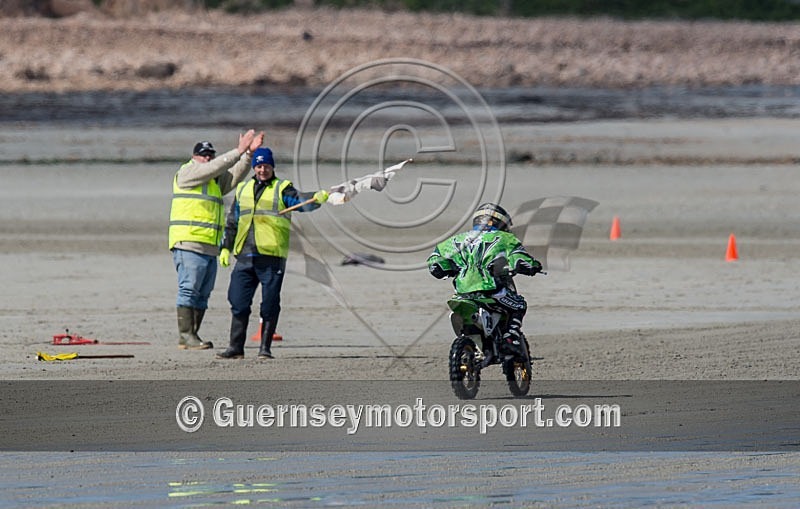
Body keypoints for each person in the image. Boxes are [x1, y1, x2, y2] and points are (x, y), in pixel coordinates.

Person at [215, 147, 329, 359]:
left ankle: (264, 348)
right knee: (237, 301)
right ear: (254, 167)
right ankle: (235, 348)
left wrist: (316, 198)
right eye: (258, 166)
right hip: (245, 255)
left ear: (272, 167)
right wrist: (225, 247)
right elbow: (232, 222)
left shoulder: (282, 188)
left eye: (266, 165)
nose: (262, 169)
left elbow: (301, 203)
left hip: (271, 256)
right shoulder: (243, 189)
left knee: (269, 303)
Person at [168, 130, 264, 350]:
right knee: (189, 288)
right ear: (194, 157)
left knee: (203, 293)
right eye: (204, 155)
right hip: (188, 242)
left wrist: (248, 155)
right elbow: (214, 167)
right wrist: (237, 151)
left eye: (210, 154)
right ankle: (185, 335)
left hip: (210, 244)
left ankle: (192, 335)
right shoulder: (187, 173)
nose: (208, 158)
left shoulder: (213, 180)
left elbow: (233, 176)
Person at [426, 202, 542, 359]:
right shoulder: (505, 238)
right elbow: (519, 257)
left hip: (462, 294)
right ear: (499, 222)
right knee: (519, 305)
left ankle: (477, 345)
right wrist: (532, 266)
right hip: (490, 291)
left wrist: (441, 268)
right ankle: (511, 337)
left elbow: (436, 259)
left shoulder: (455, 240)